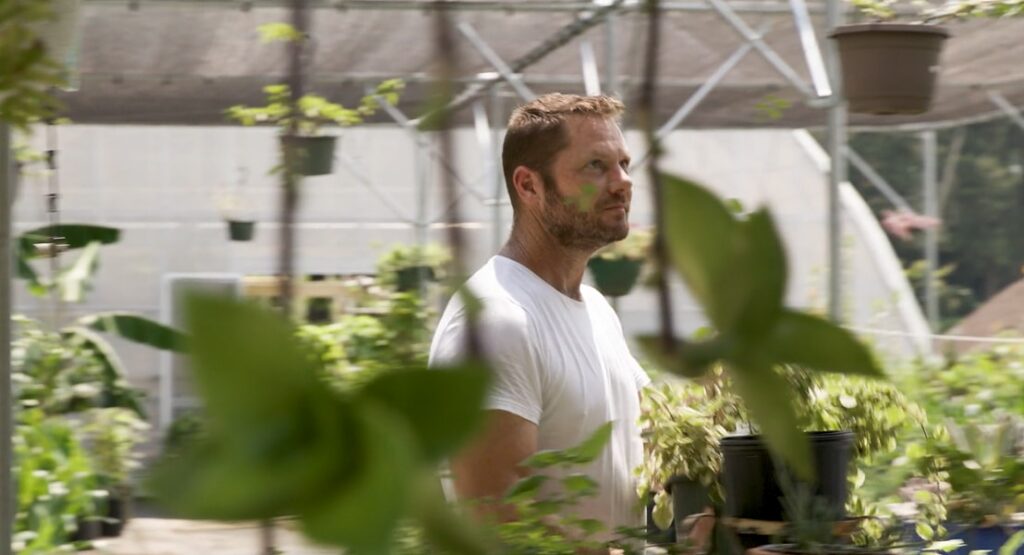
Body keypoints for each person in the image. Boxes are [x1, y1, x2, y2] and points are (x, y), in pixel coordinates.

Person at [428, 93, 650, 538]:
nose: (622, 182)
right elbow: (497, 516)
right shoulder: (494, 322)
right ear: (529, 185)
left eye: (624, 164)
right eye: (595, 166)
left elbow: (648, 443)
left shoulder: (599, 311)